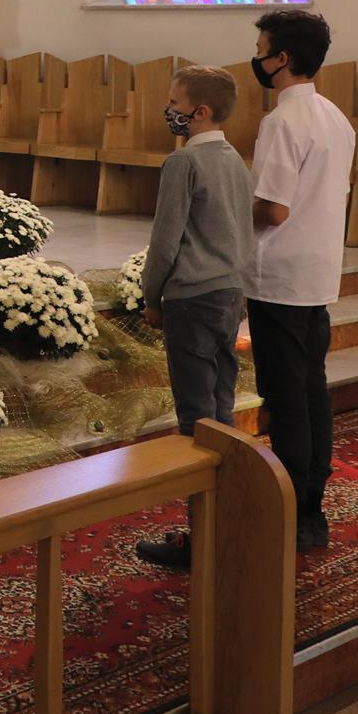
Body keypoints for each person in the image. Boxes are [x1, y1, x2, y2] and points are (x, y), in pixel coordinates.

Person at [134, 66, 256, 570]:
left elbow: (165, 242)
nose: (169, 110)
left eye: (174, 102)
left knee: (196, 424)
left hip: (191, 299)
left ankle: (203, 537)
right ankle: (229, 524)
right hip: (230, 294)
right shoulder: (235, 161)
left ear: (198, 111)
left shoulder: (183, 163)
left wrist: (151, 296)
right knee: (221, 414)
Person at [244, 10, 354, 553]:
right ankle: (311, 505)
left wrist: (229, 209)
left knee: (285, 395)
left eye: (261, 49)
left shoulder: (282, 121)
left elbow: (273, 210)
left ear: (281, 58)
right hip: (317, 272)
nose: (256, 59)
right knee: (312, 390)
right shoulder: (335, 117)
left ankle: (289, 511)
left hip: (279, 276)